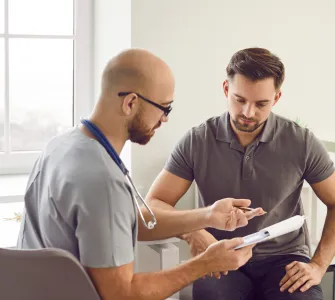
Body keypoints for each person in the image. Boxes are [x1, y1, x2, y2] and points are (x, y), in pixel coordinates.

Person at [17, 49, 264, 300]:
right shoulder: (103, 181)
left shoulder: (60, 146)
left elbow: (124, 223)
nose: (164, 119)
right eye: (164, 108)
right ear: (131, 102)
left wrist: (208, 216)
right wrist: (206, 263)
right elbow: (122, 295)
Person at [145, 47, 335, 300]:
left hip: (284, 259)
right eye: (239, 99)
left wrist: (318, 266)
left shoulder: (301, 142)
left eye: (261, 104)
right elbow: (155, 204)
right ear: (225, 89)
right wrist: (193, 232)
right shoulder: (197, 141)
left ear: (276, 98)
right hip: (220, 255)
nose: (248, 113)